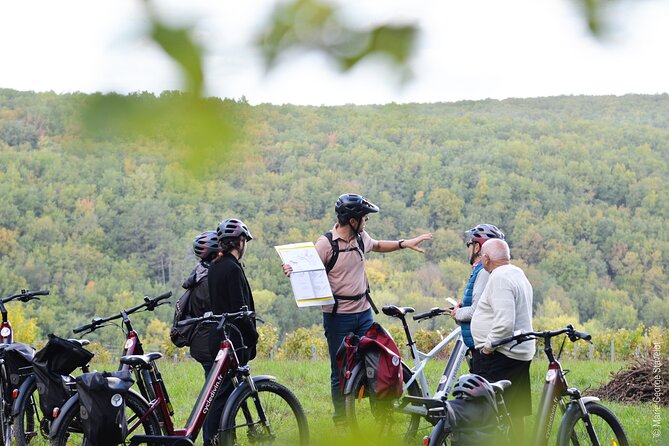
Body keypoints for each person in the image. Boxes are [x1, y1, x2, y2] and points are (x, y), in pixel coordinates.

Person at [282, 193, 432, 425]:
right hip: (338, 317)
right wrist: (292, 269)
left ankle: (381, 415)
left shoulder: (361, 237)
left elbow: (379, 245)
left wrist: (404, 244)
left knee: (374, 363)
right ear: (352, 220)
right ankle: (342, 421)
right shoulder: (326, 244)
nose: (366, 222)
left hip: (364, 313)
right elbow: (306, 268)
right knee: (340, 370)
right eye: (364, 218)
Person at [470, 238, 535, 444]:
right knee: (515, 410)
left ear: (487, 259)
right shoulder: (517, 273)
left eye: (481, 257)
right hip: (519, 352)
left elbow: (505, 323)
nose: (480, 261)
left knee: (482, 408)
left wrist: (488, 347)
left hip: (501, 354)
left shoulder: (498, 278)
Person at [204, 218, 258, 446]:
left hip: (217, 335)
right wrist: (253, 334)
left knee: (218, 393)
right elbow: (239, 308)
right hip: (234, 338)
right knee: (224, 393)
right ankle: (213, 441)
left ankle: (220, 439)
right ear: (240, 241)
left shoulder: (215, 266)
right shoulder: (233, 268)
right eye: (244, 240)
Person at [449, 224, 505, 358]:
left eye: (470, 244)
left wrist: (457, 313)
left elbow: (477, 310)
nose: (468, 248)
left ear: (478, 247)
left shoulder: (484, 272)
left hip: (481, 345)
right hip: (479, 343)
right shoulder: (480, 270)